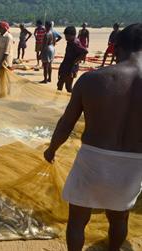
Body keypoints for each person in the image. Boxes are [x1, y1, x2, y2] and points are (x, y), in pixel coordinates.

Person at [44, 23, 142, 251]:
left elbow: (67, 122)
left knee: (78, 220)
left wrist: (52, 149)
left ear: (115, 48)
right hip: (134, 163)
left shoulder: (92, 80)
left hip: (93, 158)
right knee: (119, 218)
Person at [57, 26, 88, 93]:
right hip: (66, 65)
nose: (65, 37)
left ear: (72, 35)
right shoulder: (70, 41)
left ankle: (73, 100)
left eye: (66, 36)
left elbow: (85, 51)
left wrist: (76, 61)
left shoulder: (75, 43)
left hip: (71, 68)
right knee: (60, 83)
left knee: (68, 87)